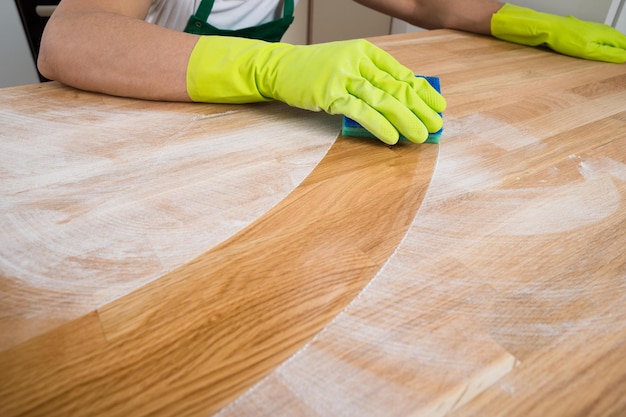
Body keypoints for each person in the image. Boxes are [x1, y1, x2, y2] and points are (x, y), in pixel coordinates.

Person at [38, 0, 626, 145]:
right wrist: (271, 65)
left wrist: (517, 19)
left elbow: (424, 4)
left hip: (233, 131)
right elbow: (68, 37)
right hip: (124, 127)